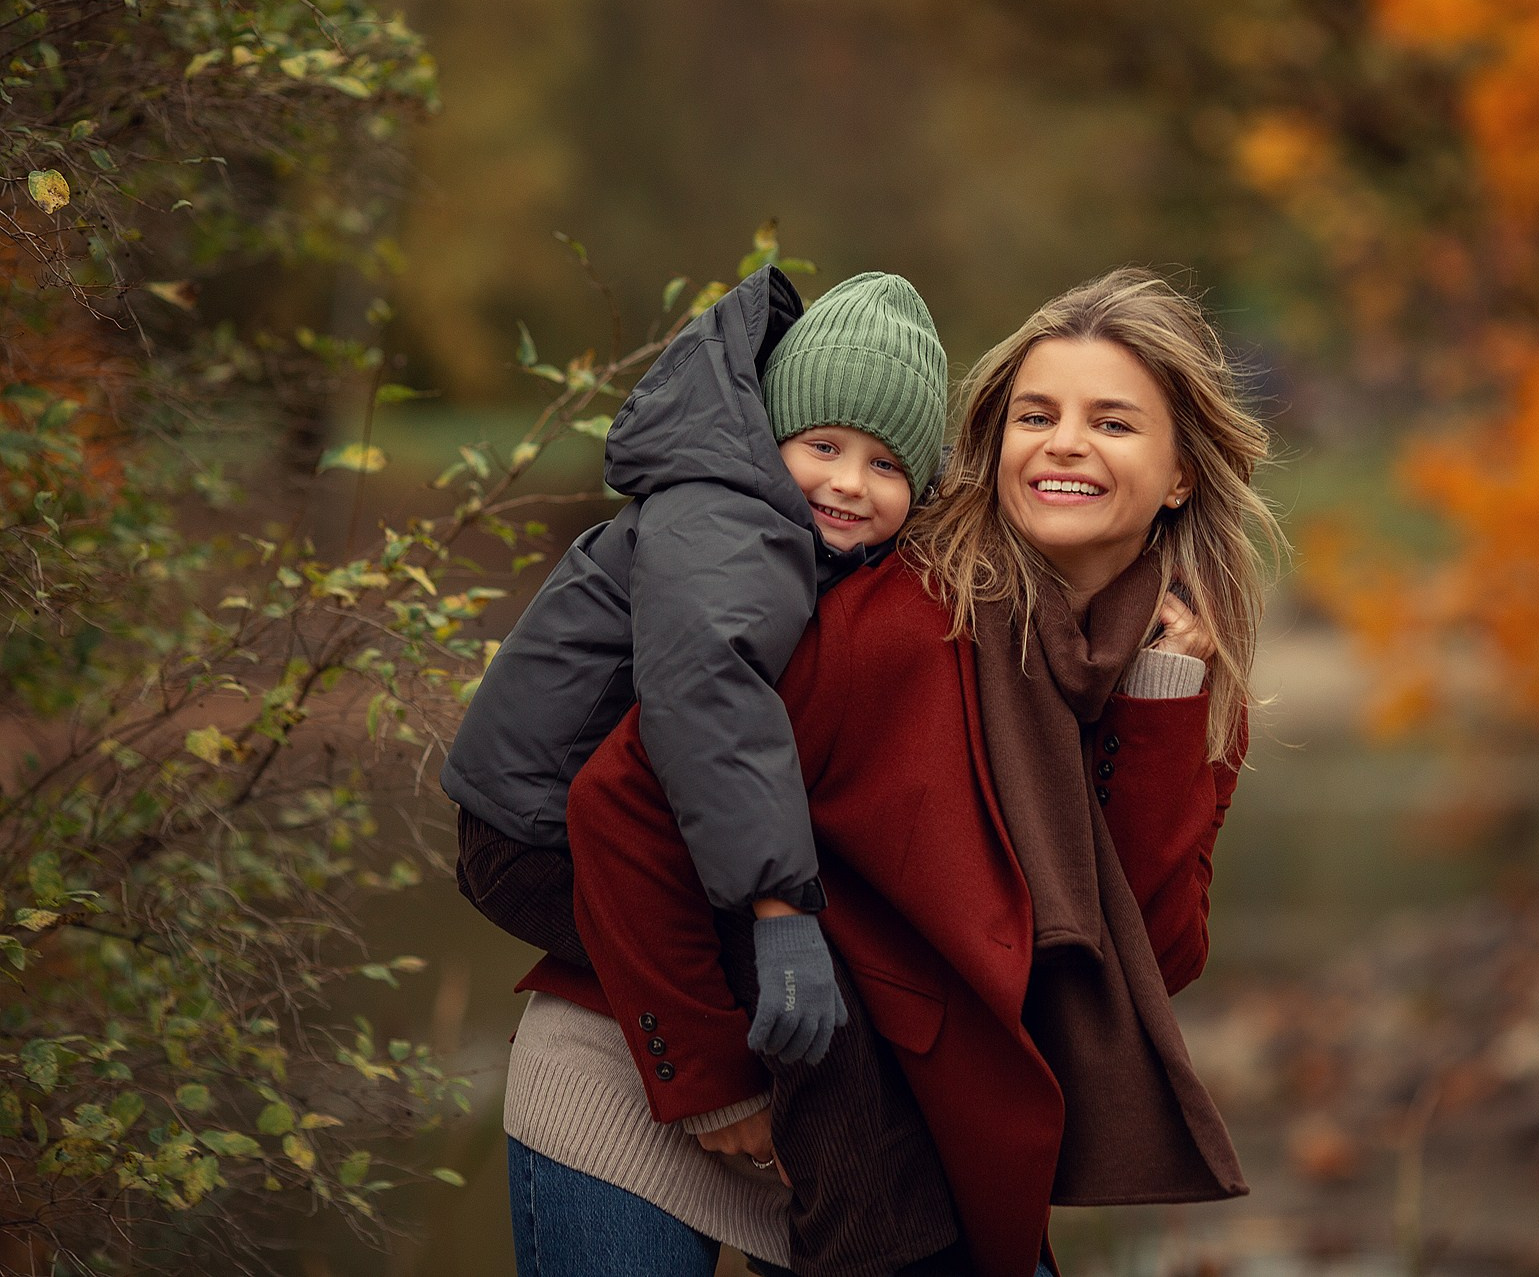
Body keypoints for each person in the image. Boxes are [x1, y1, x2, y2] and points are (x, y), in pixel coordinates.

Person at [474, 267, 1282, 1277]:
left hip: (873, 1138)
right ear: (995, 447)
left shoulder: (1186, 677)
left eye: (1112, 422)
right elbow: (619, 804)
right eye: (1036, 414)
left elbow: (1144, 963)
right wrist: (711, 1077)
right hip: (648, 1062)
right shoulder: (899, 619)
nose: (1065, 442)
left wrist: (1160, 700)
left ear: (1178, 473)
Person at [443, 264, 959, 1273]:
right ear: (769, 437)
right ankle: (854, 1223)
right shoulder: (726, 519)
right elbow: (706, 688)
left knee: (837, 1006)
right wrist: (779, 905)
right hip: (530, 830)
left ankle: (848, 1215)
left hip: (583, 823)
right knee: (820, 998)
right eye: (822, 445)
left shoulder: (794, 539)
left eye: (887, 465)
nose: (849, 482)